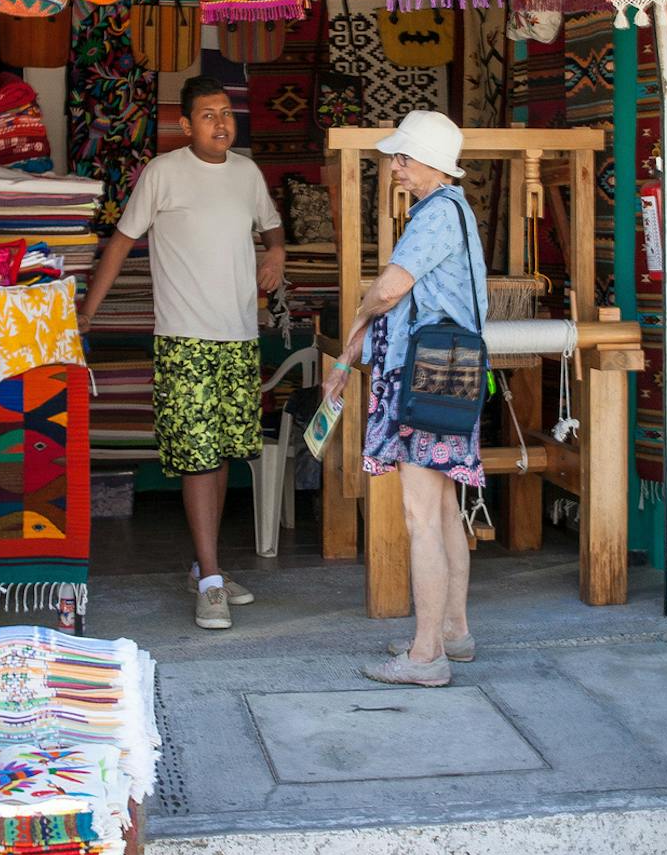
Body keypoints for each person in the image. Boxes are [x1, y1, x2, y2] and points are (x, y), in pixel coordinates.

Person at [80, 75, 285, 631]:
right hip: (185, 338)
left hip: (239, 335)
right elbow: (121, 243)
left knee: (220, 455)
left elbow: (272, 227)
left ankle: (205, 570)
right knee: (197, 456)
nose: (222, 123)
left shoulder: (247, 174)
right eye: (209, 115)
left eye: (226, 113)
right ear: (185, 125)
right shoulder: (163, 173)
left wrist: (276, 257)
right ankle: (213, 580)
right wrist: (89, 315)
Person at [321, 110, 488, 687]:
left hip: (426, 378)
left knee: (421, 516)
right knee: (443, 512)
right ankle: (453, 633)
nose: (394, 165)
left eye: (404, 156)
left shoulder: (436, 215)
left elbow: (391, 289)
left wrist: (347, 345)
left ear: (434, 165)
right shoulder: (454, 211)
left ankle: (425, 656)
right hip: (450, 374)